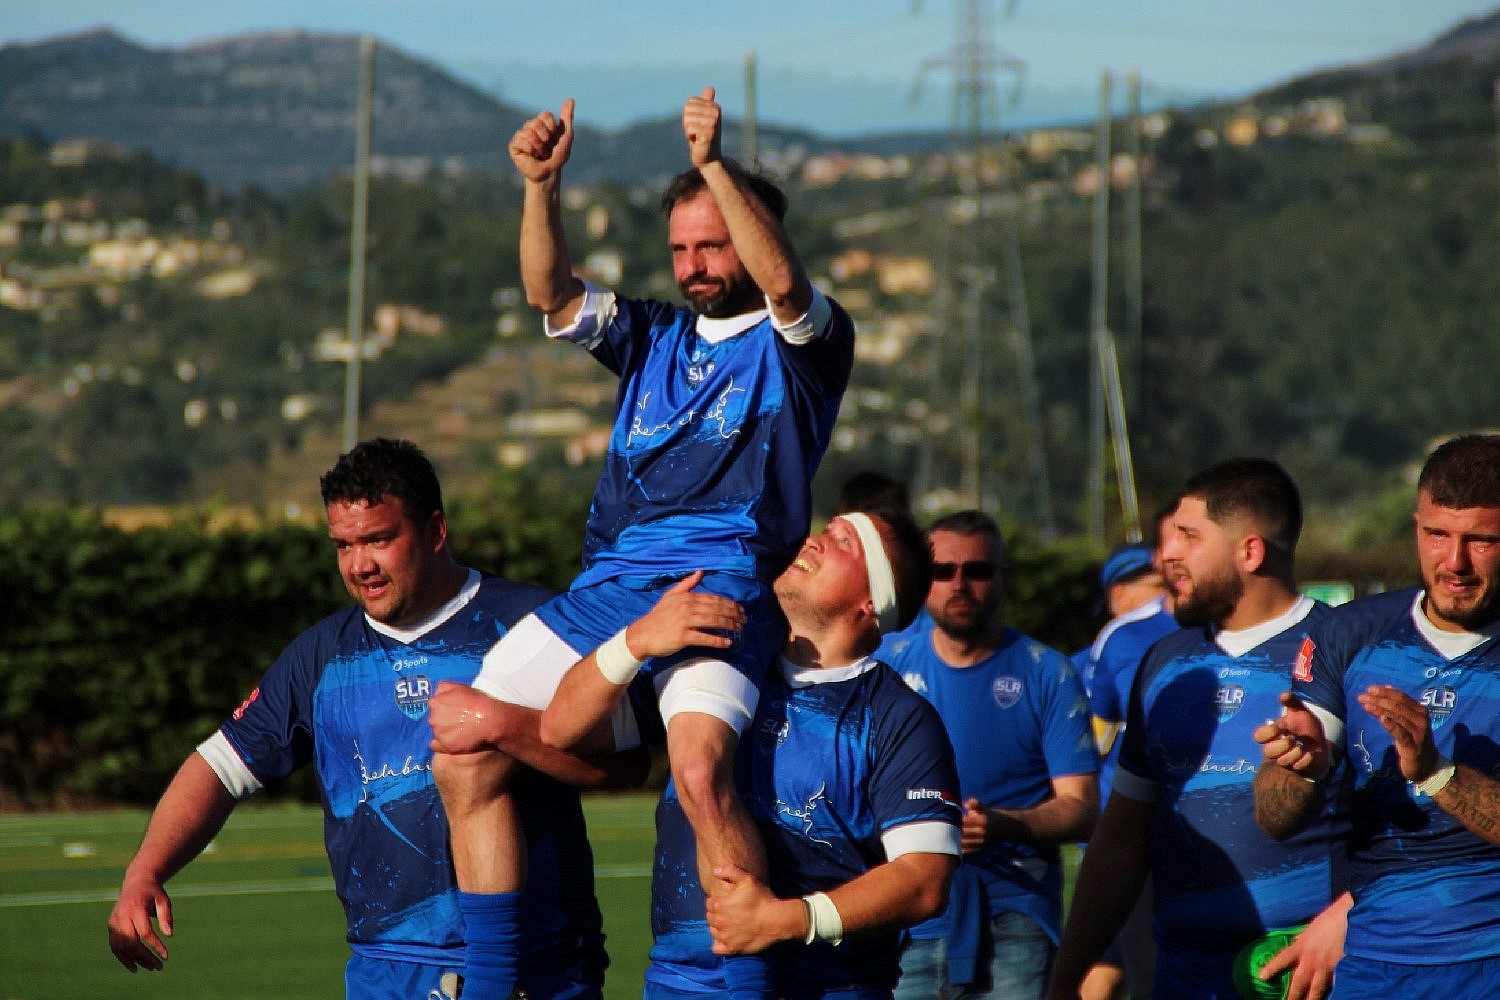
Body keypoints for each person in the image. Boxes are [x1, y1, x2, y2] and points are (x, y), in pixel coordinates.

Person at [429, 86, 854, 999]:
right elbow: (549, 292)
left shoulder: (806, 346)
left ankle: (748, 986)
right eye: (683, 248)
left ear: (750, 234)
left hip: (722, 583)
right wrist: (541, 186)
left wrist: (711, 165)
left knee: (700, 777)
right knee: (460, 745)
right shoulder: (653, 333)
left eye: (715, 242)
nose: (697, 263)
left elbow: (784, 285)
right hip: (611, 587)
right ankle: (496, 981)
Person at [106, 438, 623, 1000]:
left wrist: (504, 727)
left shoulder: (533, 626)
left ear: (434, 531)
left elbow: (622, 766)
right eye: (344, 545)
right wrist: (144, 872)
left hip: (536, 971)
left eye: (379, 539)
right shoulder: (319, 655)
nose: (360, 565)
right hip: (384, 973)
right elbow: (221, 765)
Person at [1045, 458, 1350, 1000]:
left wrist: (1346, 921)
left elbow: (1408, 836)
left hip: (1312, 977)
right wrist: (1066, 976)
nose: (1165, 557)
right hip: (1181, 979)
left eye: (1188, 537)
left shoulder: (1345, 651)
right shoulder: (1164, 662)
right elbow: (1120, 837)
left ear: (1250, 551)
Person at [644, 509, 963, 999]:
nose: (813, 539)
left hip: (826, 988)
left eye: (844, 541)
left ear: (872, 602)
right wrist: (633, 642)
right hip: (675, 984)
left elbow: (923, 881)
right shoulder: (717, 661)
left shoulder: (899, 717)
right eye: (826, 527)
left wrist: (788, 919)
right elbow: (570, 735)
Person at [1253, 433, 1500, 997]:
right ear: (1416, 525)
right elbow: (1274, 817)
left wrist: (1437, 772)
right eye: (1437, 535)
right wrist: (1301, 769)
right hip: (1373, 962)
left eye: (1481, 541)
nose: (1454, 562)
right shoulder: (1350, 634)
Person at [879, 510, 1100, 1000]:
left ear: (1004, 579)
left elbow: (1083, 809)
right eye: (943, 572)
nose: (959, 584)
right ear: (922, 581)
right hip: (906, 917)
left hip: (1015, 916)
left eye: (977, 571)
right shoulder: (885, 668)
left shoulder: (1048, 672)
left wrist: (998, 824)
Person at [1076, 537, 1178, 1000]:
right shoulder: (1111, 645)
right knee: (1116, 959)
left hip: (1163, 832)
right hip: (1123, 831)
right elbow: (1094, 743)